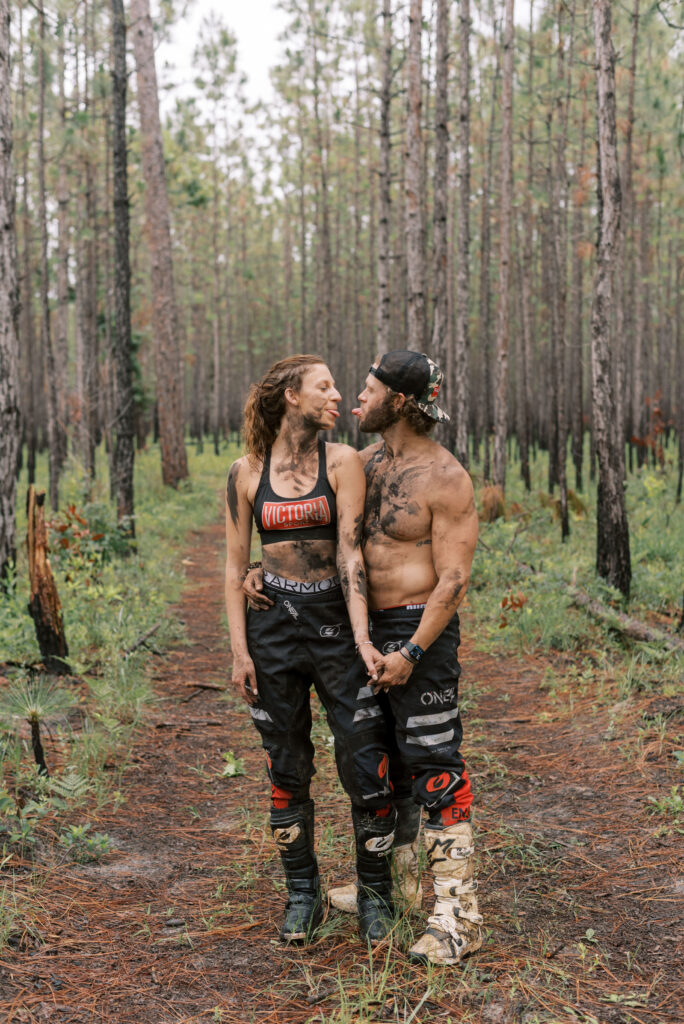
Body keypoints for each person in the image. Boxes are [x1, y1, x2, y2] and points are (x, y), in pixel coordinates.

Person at [245, 350, 481, 966]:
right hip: (359, 634)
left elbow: (453, 581)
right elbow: (322, 541)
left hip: (414, 634)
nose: (357, 399)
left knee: (434, 762)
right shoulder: (365, 463)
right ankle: (399, 887)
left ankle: (458, 912)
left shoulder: (446, 476)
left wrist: (412, 650)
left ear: (398, 402)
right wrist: (257, 569)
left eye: (369, 389)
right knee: (385, 764)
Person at [224, 354, 400, 948]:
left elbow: (350, 555)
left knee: (365, 760)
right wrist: (239, 652)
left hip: (333, 625)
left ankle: (376, 897)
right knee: (285, 765)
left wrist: (361, 639)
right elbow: (232, 567)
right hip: (272, 632)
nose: (338, 394)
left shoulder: (343, 461)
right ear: (290, 396)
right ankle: (303, 896)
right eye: (324, 386)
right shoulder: (246, 471)